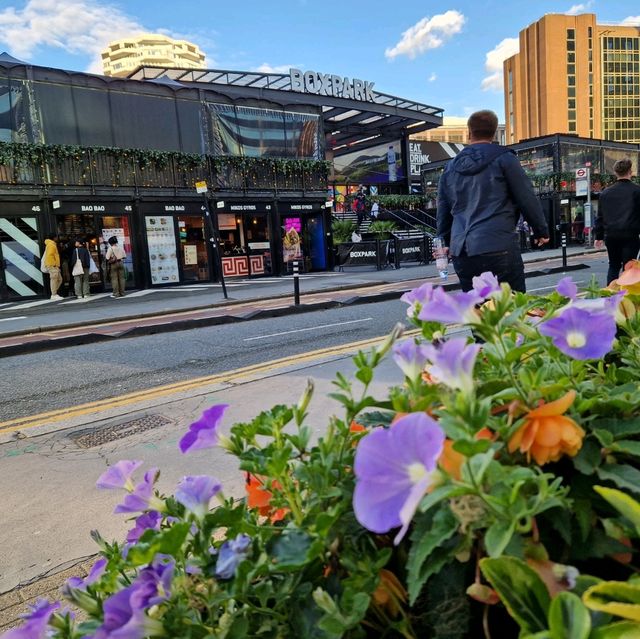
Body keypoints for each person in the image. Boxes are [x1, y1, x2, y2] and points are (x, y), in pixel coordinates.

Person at [436, 110, 549, 292]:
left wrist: (444, 243)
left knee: (477, 313)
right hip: (498, 245)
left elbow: (443, 209)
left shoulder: (450, 168)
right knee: (511, 310)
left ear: (469, 132)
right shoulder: (505, 159)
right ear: (494, 132)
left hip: (463, 251)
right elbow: (526, 196)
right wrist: (541, 231)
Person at [594, 158, 640, 284]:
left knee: (613, 266)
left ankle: (611, 295)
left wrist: (598, 237)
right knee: (629, 268)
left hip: (611, 236)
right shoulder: (637, 191)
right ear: (630, 172)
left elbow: (600, 217)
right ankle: (626, 297)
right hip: (630, 235)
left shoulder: (605, 193)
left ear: (615, 173)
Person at [42, 234, 63, 300]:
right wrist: (54, 265)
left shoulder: (51, 244)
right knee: (54, 280)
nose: (57, 238)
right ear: (54, 238)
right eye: (56, 237)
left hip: (54, 265)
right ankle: (54, 294)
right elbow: (49, 255)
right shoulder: (51, 244)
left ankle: (53, 293)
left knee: (59, 279)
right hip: (52, 265)